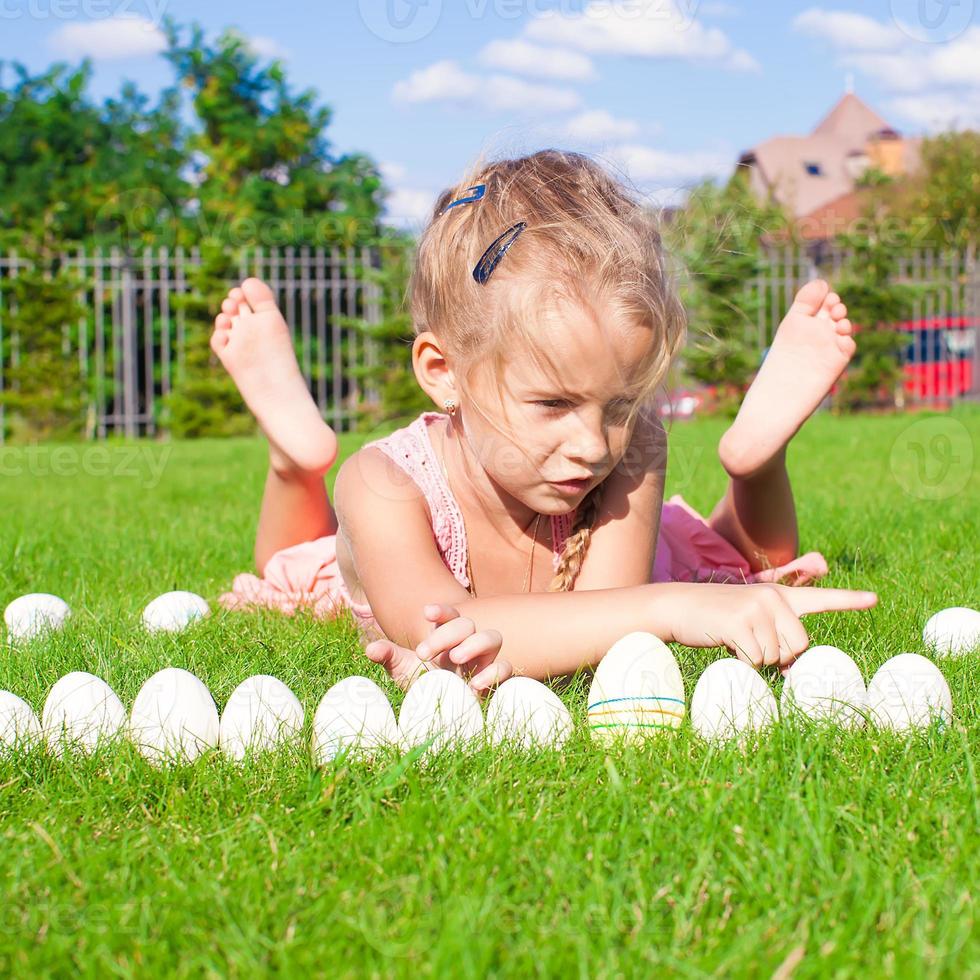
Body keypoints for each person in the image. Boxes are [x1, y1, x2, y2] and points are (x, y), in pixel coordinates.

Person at [210, 149, 876, 694]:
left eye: (620, 404)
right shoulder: (384, 485)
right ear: (443, 371)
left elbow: (611, 612)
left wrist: (675, 600)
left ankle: (754, 464)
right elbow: (444, 626)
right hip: (373, 544)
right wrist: (675, 607)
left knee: (744, 566)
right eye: (553, 404)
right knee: (294, 568)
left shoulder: (630, 448)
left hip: (623, 570)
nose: (591, 447)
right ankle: (296, 463)